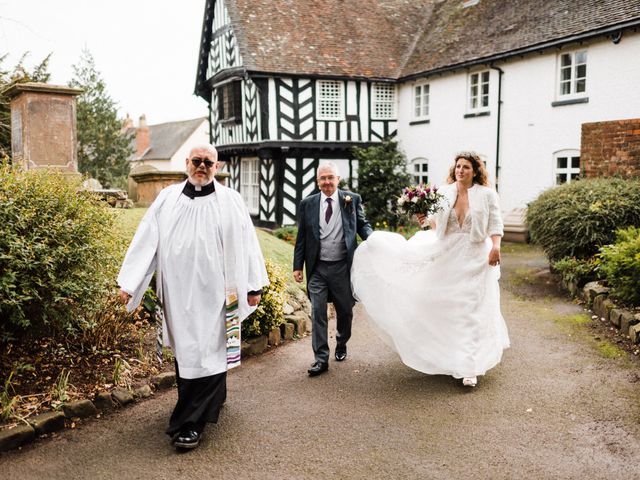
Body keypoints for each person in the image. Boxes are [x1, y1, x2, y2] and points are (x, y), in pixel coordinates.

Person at [117, 144, 268, 450]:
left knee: (210, 349)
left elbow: (248, 244)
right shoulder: (168, 199)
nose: (202, 166)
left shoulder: (230, 201)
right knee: (189, 354)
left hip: (217, 294)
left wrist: (253, 286)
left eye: (208, 163)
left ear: (217, 166)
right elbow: (147, 238)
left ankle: (190, 424)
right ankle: (211, 400)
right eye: (196, 161)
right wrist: (130, 282)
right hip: (178, 293)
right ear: (186, 162)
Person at [351, 152, 509, 388]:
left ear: (475, 171)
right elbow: (436, 225)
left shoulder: (486, 195)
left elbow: (495, 223)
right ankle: (446, 354)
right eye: (458, 166)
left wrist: (495, 247)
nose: (460, 170)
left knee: (471, 310)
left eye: (466, 167)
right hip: (447, 254)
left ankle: (469, 367)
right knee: (444, 306)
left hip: (476, 256)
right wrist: (423, 218)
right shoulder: (445, 192)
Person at [293, 162, 373, 377]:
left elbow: (362, 225)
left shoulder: (351, 200)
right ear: (317, 181)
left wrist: (374, 240)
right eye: (323, 178)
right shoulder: (307, 204)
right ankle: (320, 359)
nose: (327, 181)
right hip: (318, 268)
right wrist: (297, 266)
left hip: (342, 267)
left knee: (345, 311)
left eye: (331, 177)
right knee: (318, 311)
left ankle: (341, 342)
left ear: (338, 179)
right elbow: (302, 237)